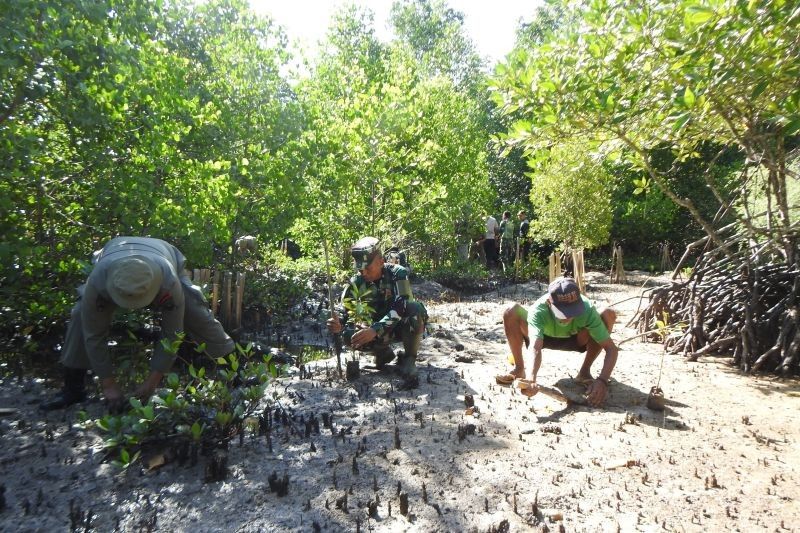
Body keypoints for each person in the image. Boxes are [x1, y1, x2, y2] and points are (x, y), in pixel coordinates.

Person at [41, 237, 235, 411]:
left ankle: (234, 370)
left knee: (195, 312)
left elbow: (172, 335)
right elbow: (94, 334)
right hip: (113, 257)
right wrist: (108, 385)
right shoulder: (99, 279)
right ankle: (73, 388)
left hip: (162, 255)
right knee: (79, 316)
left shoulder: (168, 280)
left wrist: (151, 384)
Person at [498, 276, 618, 407]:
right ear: (549, 303)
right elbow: (535, 347)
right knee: (511, 311)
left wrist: (602, 380)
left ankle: (584, 372)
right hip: (543, 337)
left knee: (608, 314)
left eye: (573, 311)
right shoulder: (538, 310)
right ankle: (519, 368)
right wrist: (532, 378)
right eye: (563, 311)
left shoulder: (586, 308)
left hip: (577, 338)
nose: (568, 316)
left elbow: (611, 349)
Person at [326, 237, 427, 385]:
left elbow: (402, 305)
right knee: (349, 334)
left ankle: (409, 359)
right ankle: (382, 353)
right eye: (360, 269)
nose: (364, 272)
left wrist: (375, 329)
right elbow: (345, 309)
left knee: (414, 309)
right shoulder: (357, 281)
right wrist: (338, 322)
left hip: (399, 327)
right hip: (374, 330)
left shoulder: (397, 273)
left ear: (380, 261)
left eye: (368, 268)